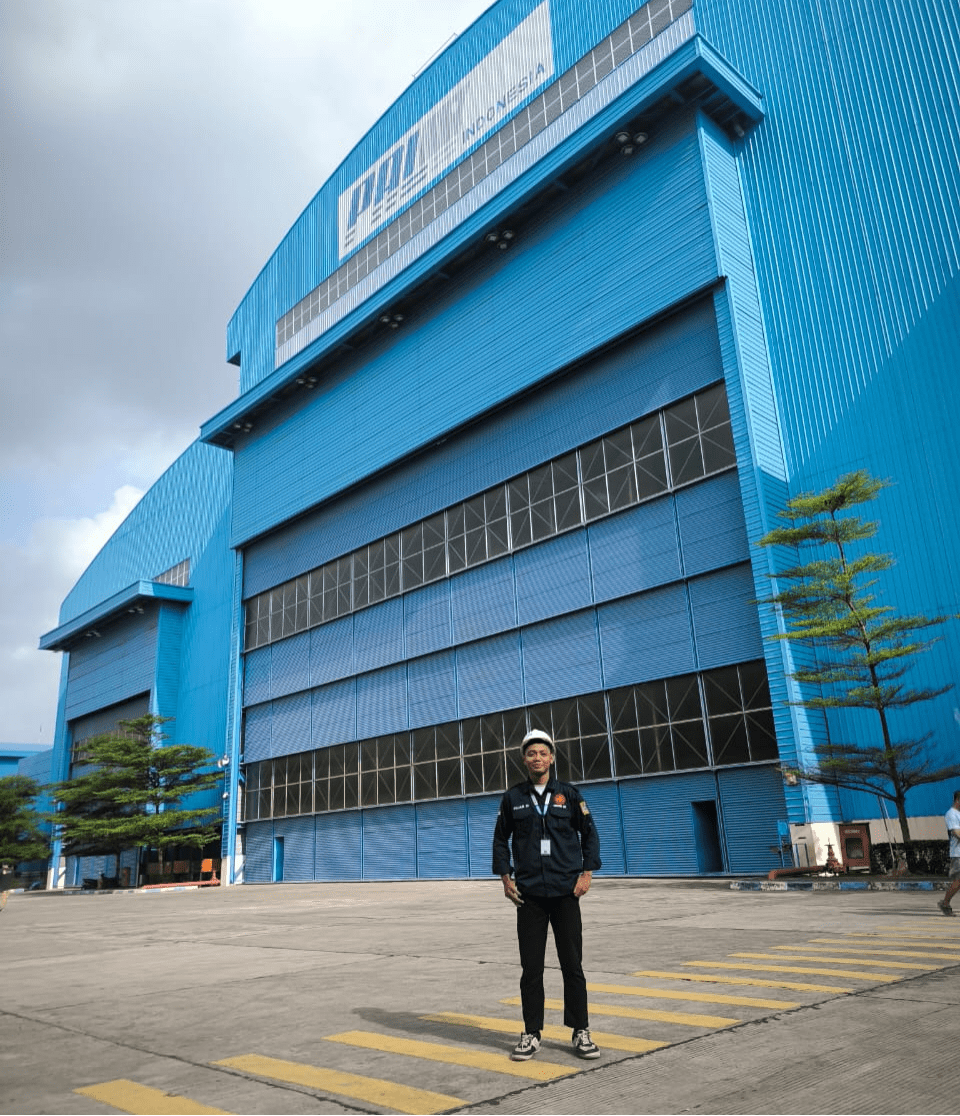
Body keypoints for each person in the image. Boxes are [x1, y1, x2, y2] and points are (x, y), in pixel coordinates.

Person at [492, 728, 602, 1061]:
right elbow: (500, 839)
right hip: (529, 896)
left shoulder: (569, 795)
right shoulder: (513, 798)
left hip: (566, 892)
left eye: (542, 753)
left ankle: (580, 1030)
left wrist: (587, 874)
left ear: (552, 758)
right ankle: (531, 1033)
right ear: (524, 760)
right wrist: (506, 878)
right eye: (531, 753)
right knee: (531, 968)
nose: (537, 758)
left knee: (573, 965)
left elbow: (589, 835)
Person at [938, 789, 960, 916]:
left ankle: (945, 903)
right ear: (958, 800)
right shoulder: (951, 814)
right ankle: (945, 903)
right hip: (958, 853)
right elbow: (956, 833)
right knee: (958, 880)